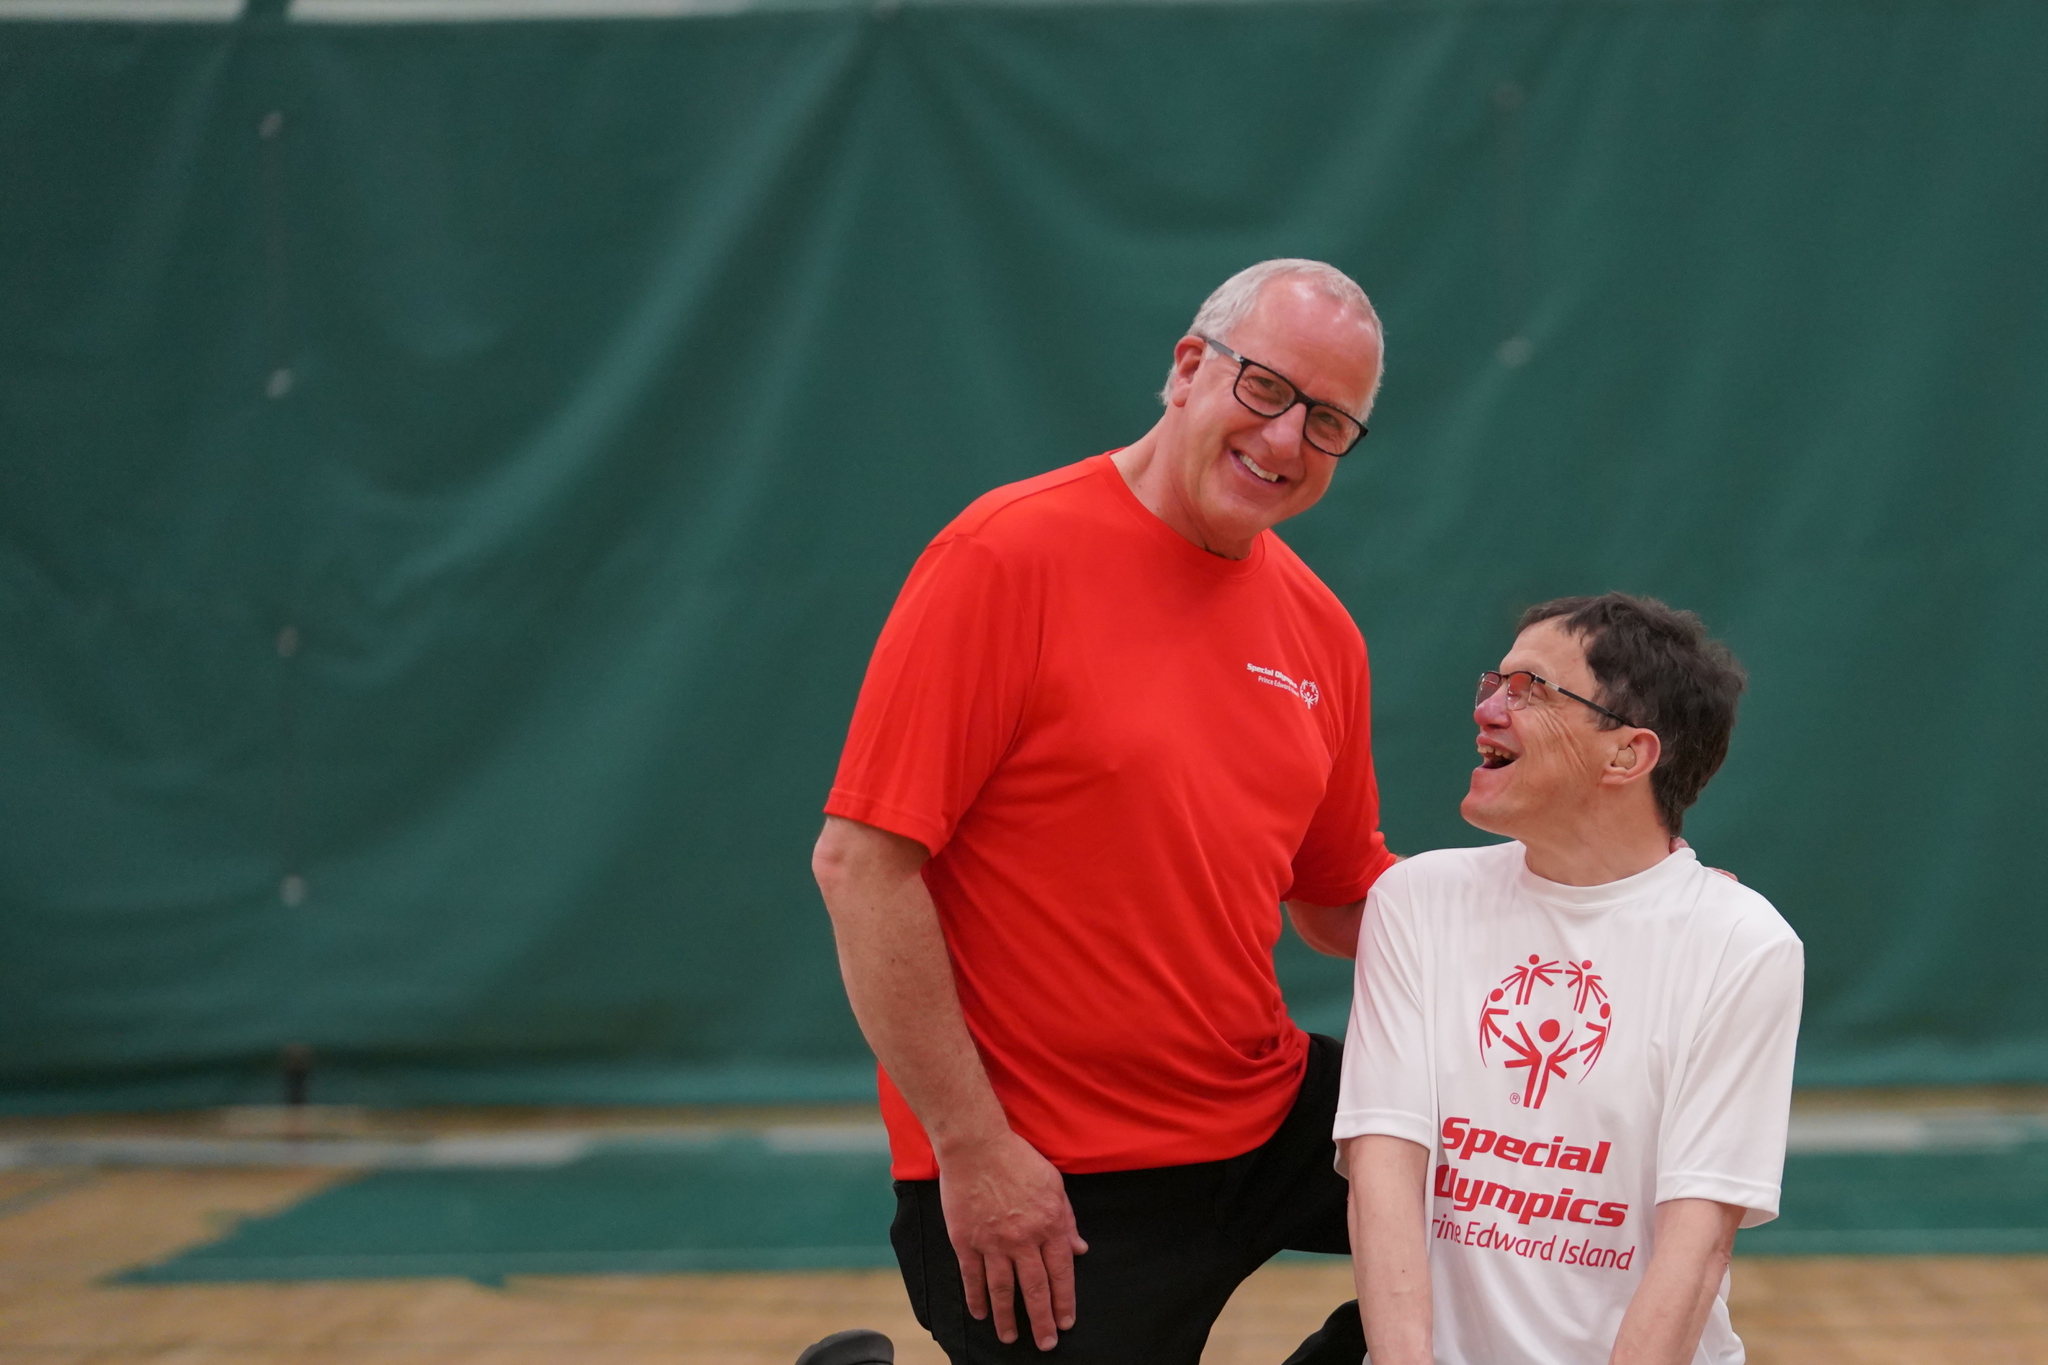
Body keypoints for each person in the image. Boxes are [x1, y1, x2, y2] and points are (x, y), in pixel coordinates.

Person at [809, 259, 1395, 1363]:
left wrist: (1587, 913)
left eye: (1326, 422)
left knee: (1534, 1200)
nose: (1283, 441)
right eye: (1266, 390)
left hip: (1259, 1115)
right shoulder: (1003, 557)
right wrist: (972, 1148)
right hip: (1054, 1176)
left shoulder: (1320, 633)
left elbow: (1338, 899)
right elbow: (860, 868)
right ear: (1186, 369)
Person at [1338, 593, 1803, 1365]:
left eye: (1531, 690)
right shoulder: (1415, 900)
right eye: (1494, 682)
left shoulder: (1742, 943)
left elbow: (1697, 1249)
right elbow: (1383, 1175)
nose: (1489, 708)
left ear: (1627, 754)